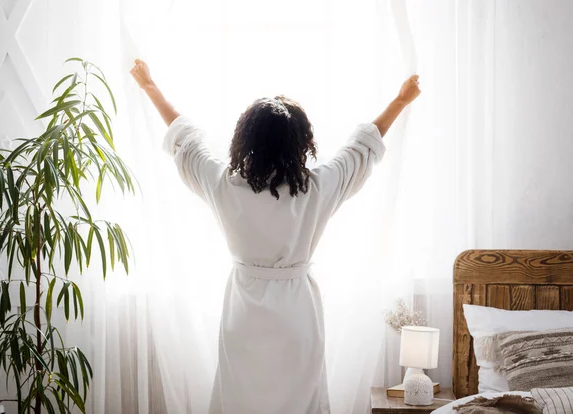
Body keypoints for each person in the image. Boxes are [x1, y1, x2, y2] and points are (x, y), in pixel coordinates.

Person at [130, 59, 420, 414]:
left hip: (244, 315)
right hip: (298, 315)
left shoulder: (225, 186)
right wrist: (400, 100)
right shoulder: (317, 188)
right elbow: (360, 148)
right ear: (301, 143)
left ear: (246, 140)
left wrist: (150, 88)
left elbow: (185, 140)